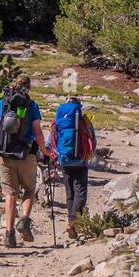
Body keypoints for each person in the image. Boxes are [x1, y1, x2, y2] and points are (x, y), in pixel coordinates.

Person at [0, 75, 45, 248]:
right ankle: (25, 220)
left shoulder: (2, 103)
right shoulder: (32, 105)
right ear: (28, 87)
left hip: (5, 154)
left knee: (10, 193)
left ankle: (9, 234)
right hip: (26, 154)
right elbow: (37, 132)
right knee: (29, 189)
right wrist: (45, 151)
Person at [47, 95, 96, 242]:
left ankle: (71, 223)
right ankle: (73, 222)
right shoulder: (85, 120)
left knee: (70, 193)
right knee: (80, 192)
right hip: (81, 161)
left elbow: (50, 143)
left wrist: (55, 158)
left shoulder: (57, 121)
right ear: (79, 107)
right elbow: (93, 141)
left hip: (65, 161)